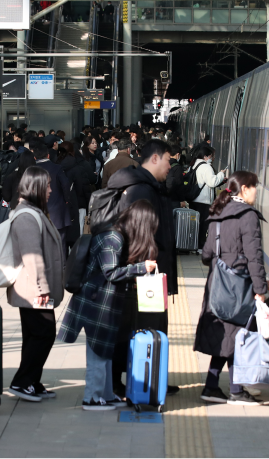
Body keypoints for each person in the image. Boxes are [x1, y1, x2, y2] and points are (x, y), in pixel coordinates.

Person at [58, 200, 158, 410]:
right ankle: (92, 398)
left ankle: (105, 394)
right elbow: (110, 272)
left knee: (104, 350)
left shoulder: (114, 235)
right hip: (97, 301)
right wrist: (141, 268)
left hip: (101, 300)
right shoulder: (113, 238)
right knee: (97, 349)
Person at [106, 139, 178, 396]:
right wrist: (143, 267)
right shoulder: (141, 190)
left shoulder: (147, 187)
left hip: (146, 271)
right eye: (169, 159)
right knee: (136, 326)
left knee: (148, 324)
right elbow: (136, 233)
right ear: (155, 158)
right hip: (141, 273)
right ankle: (125, 380)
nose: (171, 165)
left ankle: (152, 374)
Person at [195, 171, 267, 406]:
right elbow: (254, 257)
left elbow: (206, 254)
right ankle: (233, 391)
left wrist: (221, 258)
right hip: (238, 287)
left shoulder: (218, 213)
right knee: (236, 336)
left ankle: (213, 387)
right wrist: (260, 289)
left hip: (217, 284)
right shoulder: (247, 216)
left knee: (227, 336)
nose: (257, 191)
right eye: (255, 187)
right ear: (244, 189)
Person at [7, 167, 65, 402]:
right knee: (44, 334)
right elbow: (32, 256)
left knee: (34, 335)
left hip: (33, 288)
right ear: (37, 187)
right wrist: (42, 288)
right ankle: (21, 382)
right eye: (48, 185)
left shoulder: (33, 212)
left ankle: (32, 381)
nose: (51, 190)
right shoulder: (26, 216)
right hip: (33, 289)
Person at [33, 144, 73, 243]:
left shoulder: (31, 170)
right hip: (57, 211)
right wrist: (67, 199)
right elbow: (65, 184)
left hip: (37, 211)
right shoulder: (57, 168)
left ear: (34, 157)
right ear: (48, 155)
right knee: (60, 241)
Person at [189, 144, 226, 250]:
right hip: (203, 200)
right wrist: (221, 174)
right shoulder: (206, 167)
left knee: (196, 226)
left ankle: (194, 245)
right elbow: (212, 182)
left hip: (195, 199)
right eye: (211, 156)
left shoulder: (195, 164)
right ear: (205, 156)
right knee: (203, 226)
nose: (213, 159)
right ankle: (200, 247)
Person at [165, 145, 188, 209]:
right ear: (178, 154)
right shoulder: (177, 167)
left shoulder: (165, 164)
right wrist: (182, 199)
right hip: (174, 199)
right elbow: (179, 184)